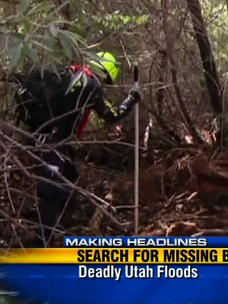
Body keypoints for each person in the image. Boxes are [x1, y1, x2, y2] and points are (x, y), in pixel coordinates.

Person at [12, 52, 141, 247]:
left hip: (40, 135)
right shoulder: (91, 85)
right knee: (51, 189)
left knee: (70, 176)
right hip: (51, 142)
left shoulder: (71, 73)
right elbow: (111, 115)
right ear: (105, 73)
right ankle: (41, 241)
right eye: (107, 80)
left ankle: (62, 220)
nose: (105, 84)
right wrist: (131, 100)